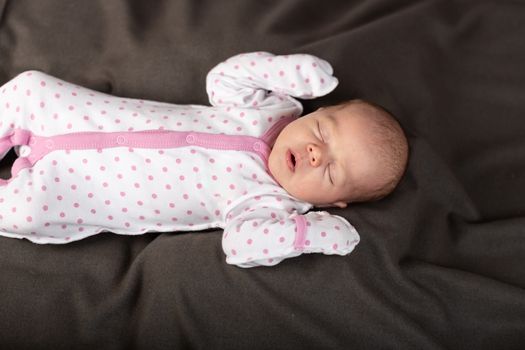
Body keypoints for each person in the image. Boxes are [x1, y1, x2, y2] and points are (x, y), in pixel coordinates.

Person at [0, 52, 408, 267]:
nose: (317, 154)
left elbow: (241, 246)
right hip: (73, 116)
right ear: (316, 110)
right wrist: (289, 73)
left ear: (333, 205)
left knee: (26, 211)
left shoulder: (271, 207)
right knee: (29, 89)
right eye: (321, 132)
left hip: (74, 191)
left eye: (332, 171)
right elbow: (223, 79)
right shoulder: (272, 110)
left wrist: (309, 234)